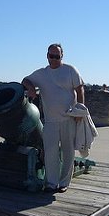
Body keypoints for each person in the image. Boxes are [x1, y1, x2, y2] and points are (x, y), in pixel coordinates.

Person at [22, 43, 84, 193]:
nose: (54, 59)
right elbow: (25, 80)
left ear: (62, 56)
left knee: (68, 151)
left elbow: (80, 89)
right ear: (47, 56)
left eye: (57, 56)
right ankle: (51, 182)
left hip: (69, 118)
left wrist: (80, 110)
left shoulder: (70, 70)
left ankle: (64, 183)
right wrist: (31, 88)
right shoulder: (41, 74)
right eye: (51, 56)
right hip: (50, 121)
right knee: (50, 152)